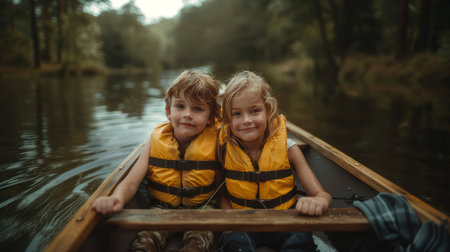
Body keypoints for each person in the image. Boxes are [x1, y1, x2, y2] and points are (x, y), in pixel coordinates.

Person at [92, 70, 222, 252]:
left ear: (210, 118)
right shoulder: (154, 142)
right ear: (168, 111)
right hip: (162, 207)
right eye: (180, 106)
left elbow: (221, 187)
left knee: (197, 245)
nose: (187, 114)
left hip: (203, 207)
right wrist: (116, 198)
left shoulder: (217, 144)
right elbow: (131, 183)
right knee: (143, 244)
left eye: (197, 109)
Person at [217, 71, 332, 251]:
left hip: (285, 222)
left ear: (268, 110)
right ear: (228, 119)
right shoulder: (223, 150)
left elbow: (322, 195)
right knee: (235, 243)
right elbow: (222, 192)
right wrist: (230, 220)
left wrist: (319, 202)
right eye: (237, 114)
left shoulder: (289, 148)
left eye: (255, 111)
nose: (246, 120)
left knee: (299, 240)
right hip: (243, 225)